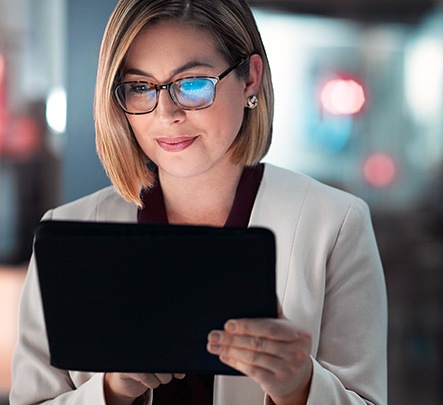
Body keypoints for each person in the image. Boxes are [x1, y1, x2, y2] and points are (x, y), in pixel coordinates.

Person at [10, 0, 388, 404]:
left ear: (250, 79)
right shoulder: (71, 233)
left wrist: (300, 385)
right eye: (141, 87)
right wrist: (113, 389)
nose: (167, 113)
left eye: (192, 84)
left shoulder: (335, 224)